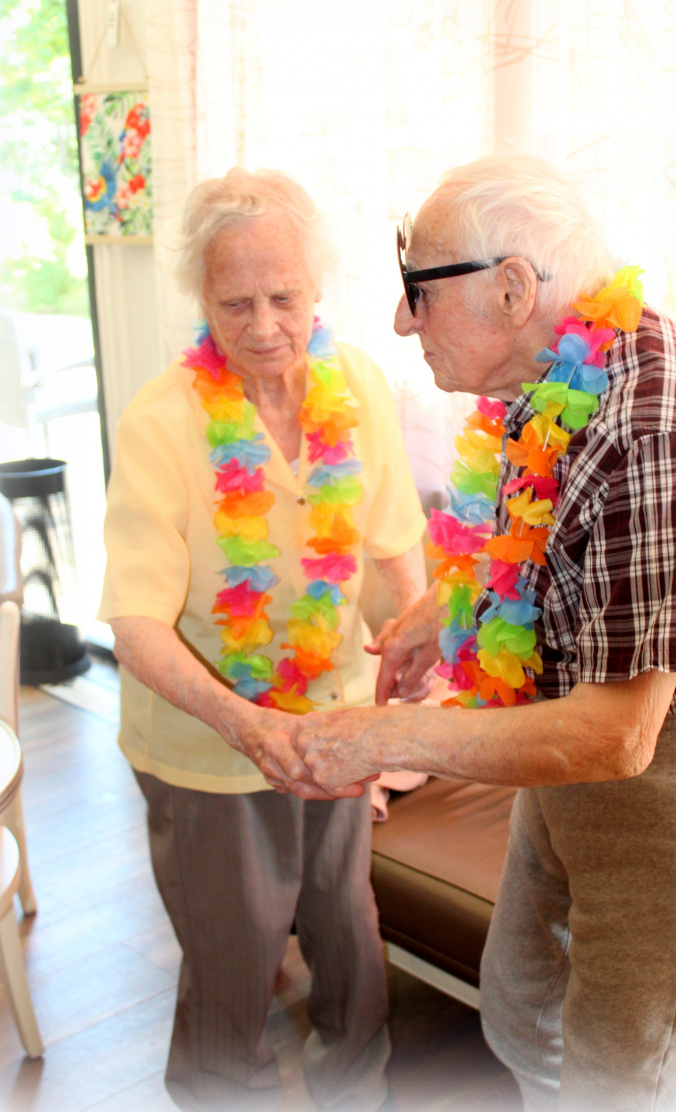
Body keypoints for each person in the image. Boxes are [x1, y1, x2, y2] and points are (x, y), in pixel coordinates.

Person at [296, 153, 676, 1112]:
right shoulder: (551, 374)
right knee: (519, 1012)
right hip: (561, 727)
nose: (399, 320)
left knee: (620, 1076)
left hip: (665, 767)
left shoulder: (651, 422)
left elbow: (618, 736)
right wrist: (449, 603)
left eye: (417, 291)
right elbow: (547, 542)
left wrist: (383, 737)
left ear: (514, 288)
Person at [98, 167, 427, 1112]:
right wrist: (247, 725)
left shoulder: (356, 381)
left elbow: (394, 536)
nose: (265, 324)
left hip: (336, 727)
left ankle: (357, 1098)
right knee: (235, 962)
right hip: (208, 745)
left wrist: (409, 643)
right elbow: (135, 626)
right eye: (234, 302)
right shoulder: (163, 423)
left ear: (317, 288)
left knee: (351, 942)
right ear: (202, 300)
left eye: (283, 296)